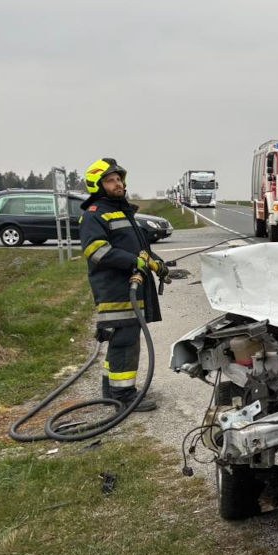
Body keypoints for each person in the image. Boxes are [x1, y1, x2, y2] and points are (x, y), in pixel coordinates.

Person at [79, 158, 168, 411]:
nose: (118, 183)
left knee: (122, 337)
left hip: (131, 285)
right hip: (115, 289)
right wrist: (135, 262)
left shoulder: (122, 212)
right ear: (97, 185)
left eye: (119, 179)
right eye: (110, 180)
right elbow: (96, 251)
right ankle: (124, 397)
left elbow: (141, 250)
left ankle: (111, 390)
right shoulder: (94, 215)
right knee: (125, 339)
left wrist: (156, 264)